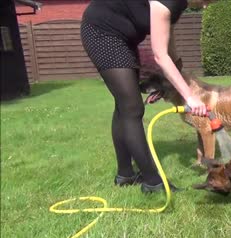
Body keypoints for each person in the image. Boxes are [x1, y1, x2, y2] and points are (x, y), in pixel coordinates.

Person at [80, 0, 212, 193]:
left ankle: (125, 175)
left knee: (124, 107)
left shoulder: (179, 5)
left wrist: (177, 66)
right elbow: (160, 55)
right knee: (133, 108)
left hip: (123, 38)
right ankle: (153, 182)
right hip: (102, 32)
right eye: (208, 0)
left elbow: (168, 37)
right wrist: (190, 97)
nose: (206, 6)